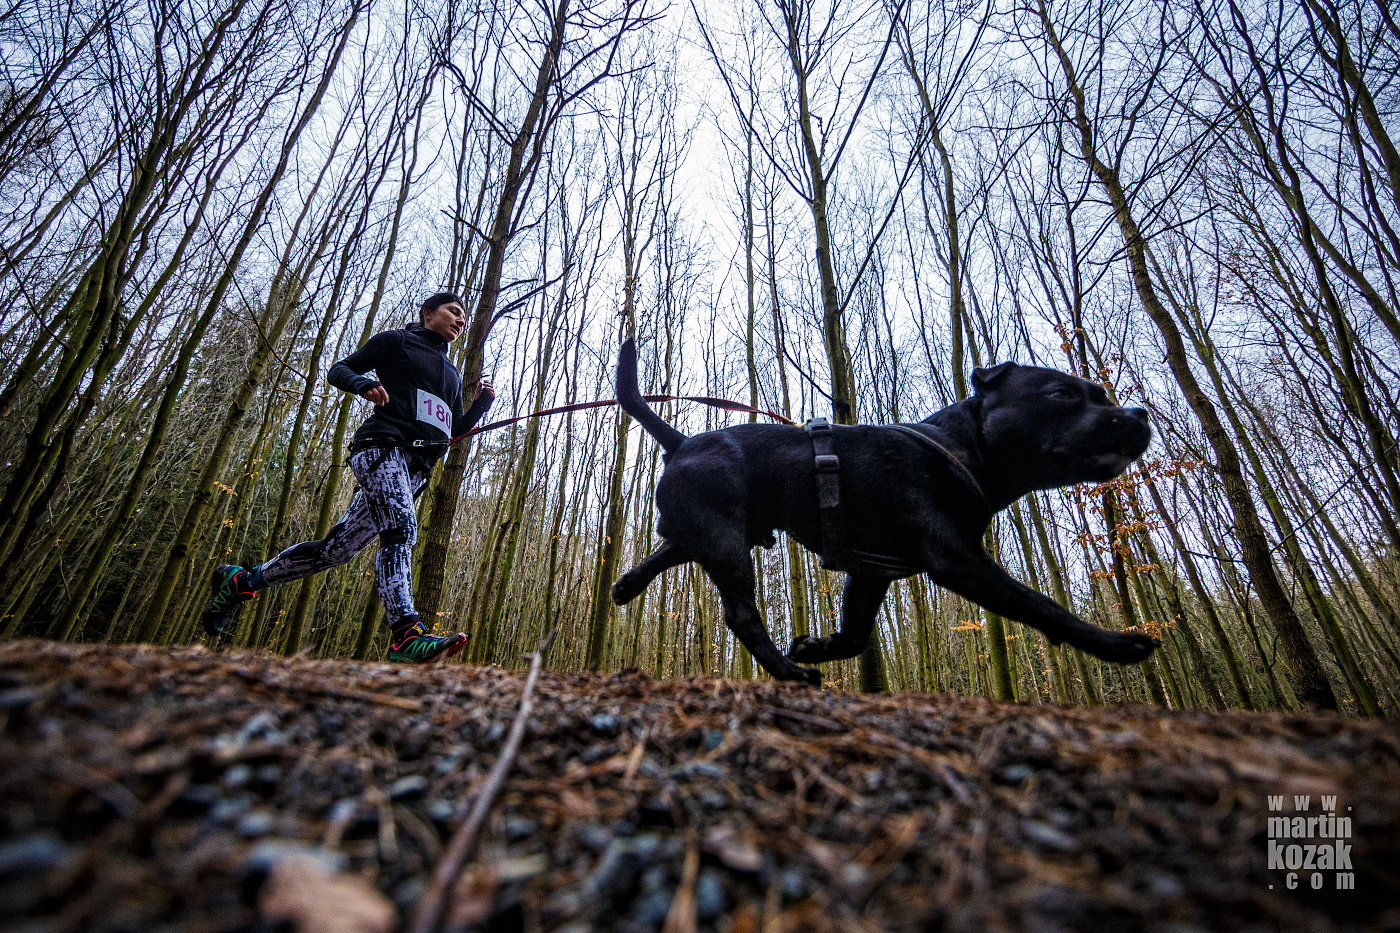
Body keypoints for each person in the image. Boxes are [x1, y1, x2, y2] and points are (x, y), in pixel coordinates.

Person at [201, 292, 495, 662]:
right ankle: (406, 636)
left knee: (335, 551)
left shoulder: (451, 373)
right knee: (401, 529)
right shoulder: (398, 341)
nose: (460, 320)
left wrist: (481, 406)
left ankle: (242, 581)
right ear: (427, 313)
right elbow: (340, 369)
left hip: (416, 470)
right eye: (453, 312)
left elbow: (454, 430)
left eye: (463, 317)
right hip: (382, 448)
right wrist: (361, 384)